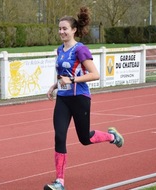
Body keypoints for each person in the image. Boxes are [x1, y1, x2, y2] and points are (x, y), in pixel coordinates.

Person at [44, 7, 124, 190]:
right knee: (59, 136)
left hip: (80, 98)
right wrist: (55, 85)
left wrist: (71, 80)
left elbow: (95, 75)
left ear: (74, 30)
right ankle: (60, 182)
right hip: (63, 98)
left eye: (65, 28)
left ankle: (112, 136)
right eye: (59, 28)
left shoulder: (80, 49)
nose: (61, 32)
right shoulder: (59, 50)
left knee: (84, 138)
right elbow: (64, 74)